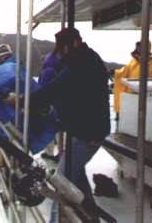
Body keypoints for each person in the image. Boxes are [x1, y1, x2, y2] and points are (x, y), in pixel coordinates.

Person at [7, 27, 110, 221]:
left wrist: (21, 99)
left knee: (61, 182)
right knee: (76, 179)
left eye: (61, 48)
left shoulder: (81, 61)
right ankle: (92, 217)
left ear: (73, 43)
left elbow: (54, 89)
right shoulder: (85, 58)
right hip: (84, 130)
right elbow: (65, 92)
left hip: (88, 134)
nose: (60, 52)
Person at [0, 44, 60, 154]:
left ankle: (18, 160)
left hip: (23, 116)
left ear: (0, 59)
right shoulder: (18, 67)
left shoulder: (6, 69)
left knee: (13, 139)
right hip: (38, 113)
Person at [112, 41, 152, 114]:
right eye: (138, 47)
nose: (139, 49)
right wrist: (114, 73)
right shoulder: (133, 61)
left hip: (147, 100)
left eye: (141, 46)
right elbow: (124, 72)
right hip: (132, 99)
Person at [38, 43, 62, 162]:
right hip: (59, 105)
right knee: (61, 130)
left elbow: (42, 89)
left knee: (49, 130)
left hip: (49, 106)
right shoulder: (60, 70)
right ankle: (62, 154)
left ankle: (49, 152)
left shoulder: (47, 72)